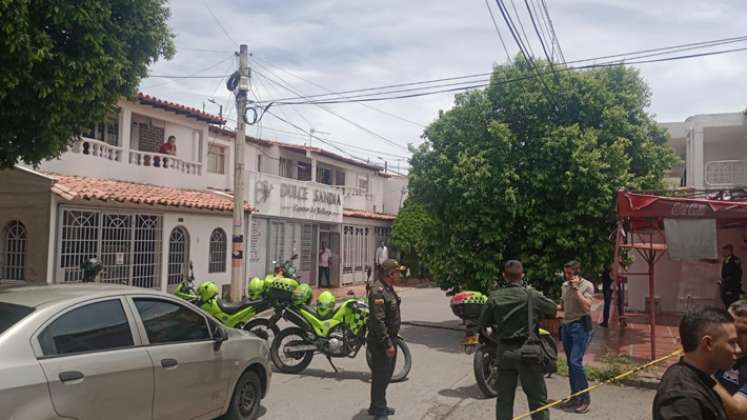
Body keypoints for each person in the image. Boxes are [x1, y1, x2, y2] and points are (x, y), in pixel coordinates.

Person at [479, 260, 557, 420]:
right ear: (522, 275)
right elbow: (552, 308)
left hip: (505, 352)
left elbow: (483, 323)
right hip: (529, 353)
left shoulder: (494, 297)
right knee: (537, 400)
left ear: (504, 276)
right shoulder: (531, 294)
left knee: (504, 400)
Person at [653, 307, 740, 420]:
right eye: (732, 343)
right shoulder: (683, 398)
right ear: (708, 343)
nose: (738, 349)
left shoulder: (696, 377)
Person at [367, 259, 402, 420]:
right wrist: (387, 344)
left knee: (386, 375)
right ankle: (379, 411)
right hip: (381, 341)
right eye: (397, 272)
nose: (399, 275)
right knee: (381, 376)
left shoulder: (388, 288)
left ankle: (377, 405)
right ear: (390, 273)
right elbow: (378, 321)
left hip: (390, 338)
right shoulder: (378, 291)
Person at [558, 260, 594, 414]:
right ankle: (575, 396)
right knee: (570, 363)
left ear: (577, 273)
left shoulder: (587, 286)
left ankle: (585, 398)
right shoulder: (564, 286)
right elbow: (563, 307)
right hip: (567, 326)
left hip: (580, 326)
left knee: (575, 362)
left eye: (569, 273)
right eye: (565, 273)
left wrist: (576, 290)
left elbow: (587, 306)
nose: (566, 276)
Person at [712, 300, 747, 420]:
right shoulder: (721, 351)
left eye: (743, 332)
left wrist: (702, 376)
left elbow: (739, 413)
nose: (734, 336)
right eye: (729, 329)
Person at [720, 245, 743, 309]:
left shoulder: (736, 260)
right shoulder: (726, 260)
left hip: (732, 287)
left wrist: (730, 287)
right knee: (727, 302)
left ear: (729, 251)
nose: (723, 253)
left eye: (724, 251)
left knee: (733, 303)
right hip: (726, 286)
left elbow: (737, 274)